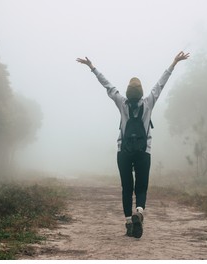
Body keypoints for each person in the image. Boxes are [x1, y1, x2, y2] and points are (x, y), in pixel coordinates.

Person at [76, 51, 189, 238]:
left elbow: (107, 85)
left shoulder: (121, 102)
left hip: (124, 151)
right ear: (142, 92)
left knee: (127, 187)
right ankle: (140, 211)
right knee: (141, 187)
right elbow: (161, 83)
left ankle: (129, 222)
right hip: (144, 151)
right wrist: (174, 63)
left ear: (128, 92)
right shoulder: (149, 102)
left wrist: (92, 68)